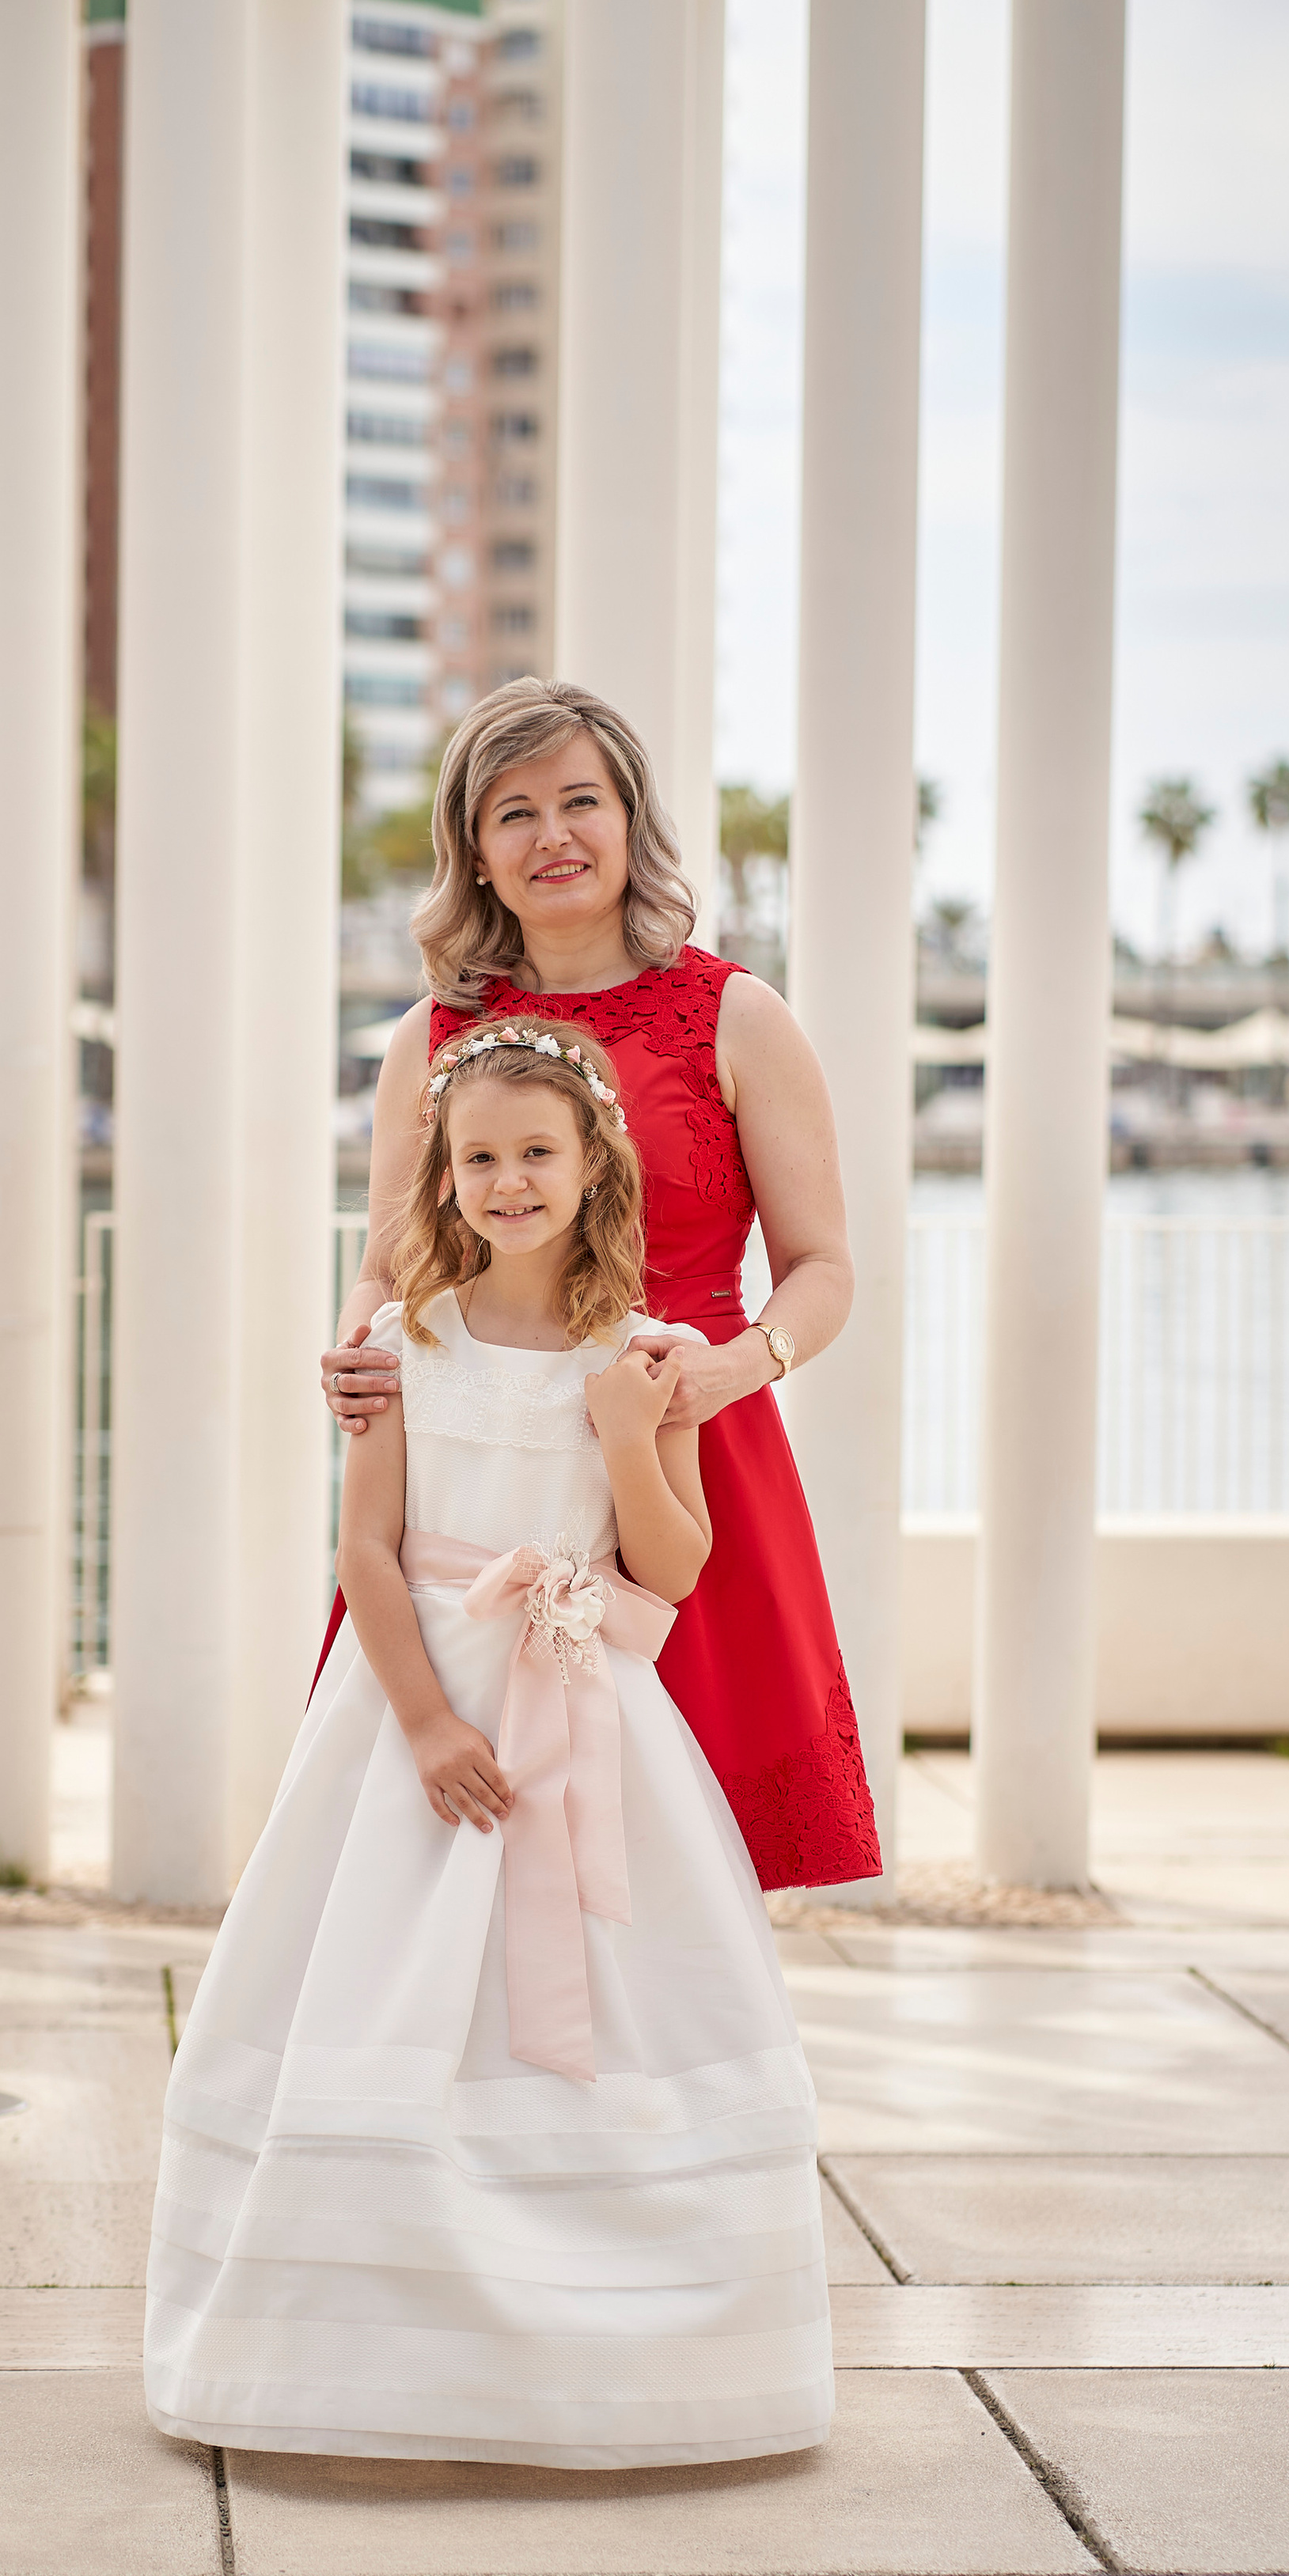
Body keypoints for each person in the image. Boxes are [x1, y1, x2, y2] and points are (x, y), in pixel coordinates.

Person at [146, 1020, 832, 2466]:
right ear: (438, 1181)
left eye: (538, 1154)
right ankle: (365, 2343)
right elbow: (370, 1558)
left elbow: (673, 1568)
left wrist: (633, 1434)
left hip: (585, 1710)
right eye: (479, 1161)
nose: (509, 1181)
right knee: (388, 1986)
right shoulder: (401, 1343)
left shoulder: (648, 1351)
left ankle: (607, 2333)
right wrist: (429, 1724)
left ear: (595, 1167)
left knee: (598, 2007)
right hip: (417, 1713)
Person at [323, 676, 881, 1894]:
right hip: (482, 1482)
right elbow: (389, 1256)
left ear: (633, 820)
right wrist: (355, 1340)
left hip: (688, 1457)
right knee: (463, 1844)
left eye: (582, 801)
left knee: (685, 1868)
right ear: (474, 848)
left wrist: (737, 1367)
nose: (552, 836)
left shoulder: (741, 1016)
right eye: (513, 811)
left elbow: (825, 1269)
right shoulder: (429, 1037)